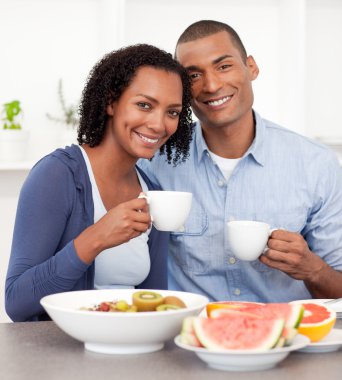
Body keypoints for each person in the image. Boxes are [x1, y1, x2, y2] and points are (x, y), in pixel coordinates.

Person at [139, 20, 342, 303]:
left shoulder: (316, 165)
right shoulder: (152, 161)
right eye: (194, 76)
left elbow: (338, 287)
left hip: (281, 338)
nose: (211, 85)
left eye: (224, 66)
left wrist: (312, 269)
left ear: (251, 67)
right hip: (185, 339)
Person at [5, 44, 193, 322]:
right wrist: (96, 237)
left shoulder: (153, 193)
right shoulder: (57, 175)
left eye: (172, 112)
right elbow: (16, 302)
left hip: (129, 353)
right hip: (58, 356)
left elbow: (153, 304)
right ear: (111, 102)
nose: (158, 124)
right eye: (144, 105)